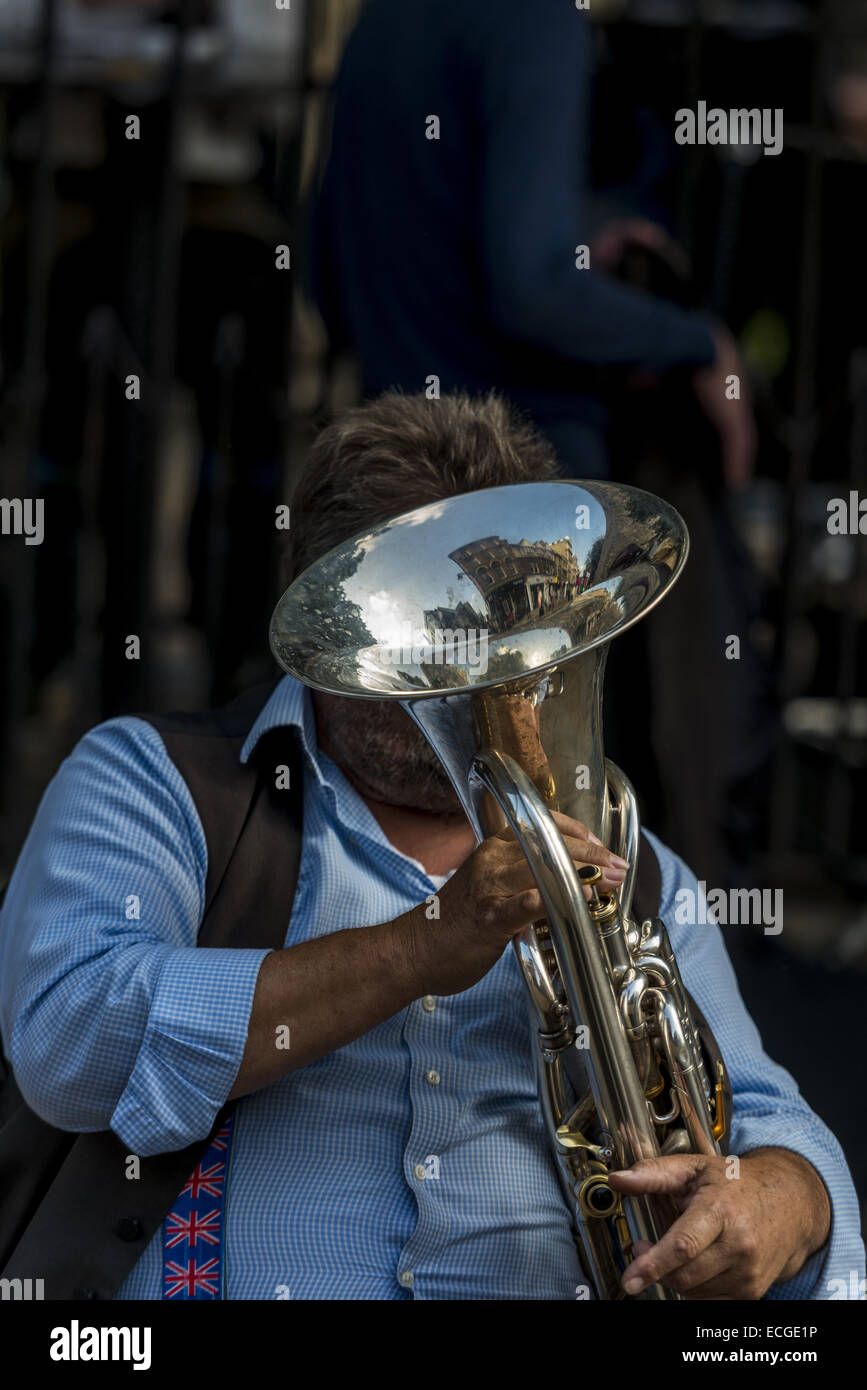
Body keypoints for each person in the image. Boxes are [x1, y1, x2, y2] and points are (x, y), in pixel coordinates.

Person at [0, 393, 862, 1301]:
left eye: (508, 627)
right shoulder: (157, 781)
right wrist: (419, 946)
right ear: (325, 639)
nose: (487, 680)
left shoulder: (633, 865)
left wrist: (780, 1198)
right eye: (429, 631)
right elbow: (69, 1045)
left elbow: (772, 1123)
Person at [311, 0, 755, 490]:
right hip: (523, 481)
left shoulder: (380, 17)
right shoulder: (534, 17)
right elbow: (534, 291)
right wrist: (700, 344)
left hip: (390, 472)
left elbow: (325, 274)